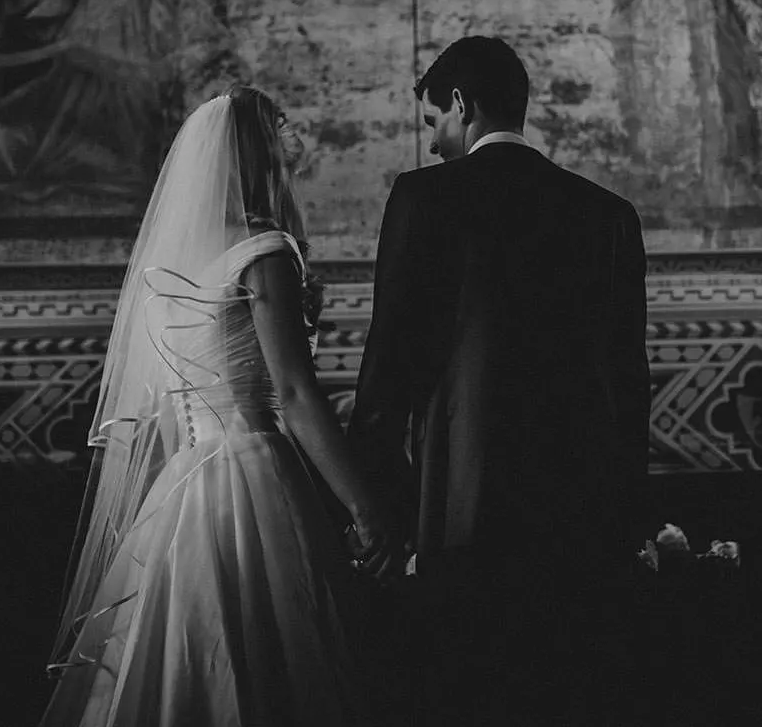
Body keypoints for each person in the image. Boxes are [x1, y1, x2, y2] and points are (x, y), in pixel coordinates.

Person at [39, 85, 395, 727]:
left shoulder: (178, 265)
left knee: (186, 649)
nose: (293, 142)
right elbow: (292, 391)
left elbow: (175, 407)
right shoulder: (265, 250)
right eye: (280, 129)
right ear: (255, 151)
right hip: (257, 466)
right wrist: (364, 506)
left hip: (189, 480)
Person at [347, 36, 652, 727]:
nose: (433, 143)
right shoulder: (609, 215)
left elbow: (388, 362)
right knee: (570, 692)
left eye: (434, 123)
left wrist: (377, 505)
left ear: (462, 103)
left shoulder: (424, 199)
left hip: (462, 505)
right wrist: (629, 513)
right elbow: (630, 381)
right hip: (584, 511)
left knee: (470, 690)